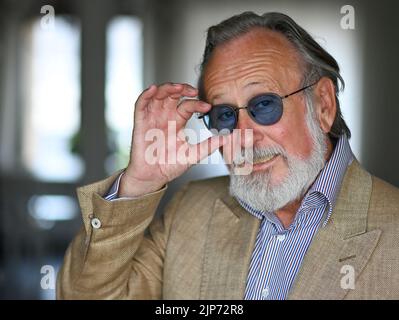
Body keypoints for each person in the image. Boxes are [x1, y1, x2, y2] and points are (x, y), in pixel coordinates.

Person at [57, 11, 399, 300]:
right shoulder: (190, 211)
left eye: (264, 105)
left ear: (323, 105)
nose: (243, 136)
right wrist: (139, 183)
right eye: (224, 115)